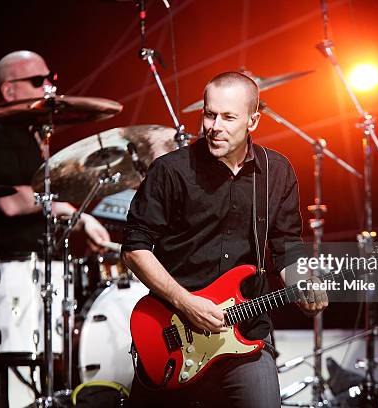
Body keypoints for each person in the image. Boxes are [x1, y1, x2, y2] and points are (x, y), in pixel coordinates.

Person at [122, 72, 328, 408]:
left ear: (253, 120)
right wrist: (186, 301)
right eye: (209, 114)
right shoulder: (171, 170)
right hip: (173, 332)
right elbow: (134, 249)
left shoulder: (276, 172)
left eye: (228, 117)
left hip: (246, 332)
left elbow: (286, 246)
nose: (214, 126)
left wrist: (303, 283)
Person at [0, 50, 110, 257]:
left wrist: (82, 222)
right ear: (9, 91)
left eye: (51, 78)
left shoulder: (33, 134)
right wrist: (71, 209)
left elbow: (42, 201)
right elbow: (12, 203)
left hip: (33, 260)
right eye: (37, 81)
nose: (49, 86)